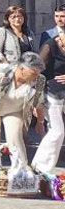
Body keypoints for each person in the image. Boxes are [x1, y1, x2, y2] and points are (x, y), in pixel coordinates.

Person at [0, 52, 46, 168]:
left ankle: (21, 170)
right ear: (22, 69)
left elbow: (39, 103)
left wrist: (40, 122)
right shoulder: (1, 70)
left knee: (15, 136)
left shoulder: (39, 80)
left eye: (38, 73)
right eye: (34, 73)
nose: (36, 76)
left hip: (15, 110)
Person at [33, 33, 65, 172]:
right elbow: (37, 74)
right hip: (51, 94)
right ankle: (40, 166)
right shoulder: (50, 46)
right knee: (57, 132)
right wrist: (36, 101)